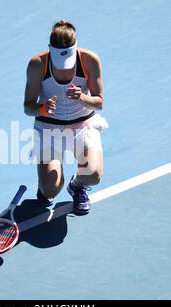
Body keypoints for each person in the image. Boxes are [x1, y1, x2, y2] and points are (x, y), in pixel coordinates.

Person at [24, 19, 108, 213]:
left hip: (84, 125)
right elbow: (28, 107)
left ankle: (77, 186)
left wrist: (83, 98)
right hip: (48, 128)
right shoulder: (37, 65)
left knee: (93, 174)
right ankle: (46, 188)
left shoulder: (89, 60)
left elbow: (99, 102)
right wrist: (42, 108)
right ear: (49, 49)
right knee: (51, 188)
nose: (63, 67)